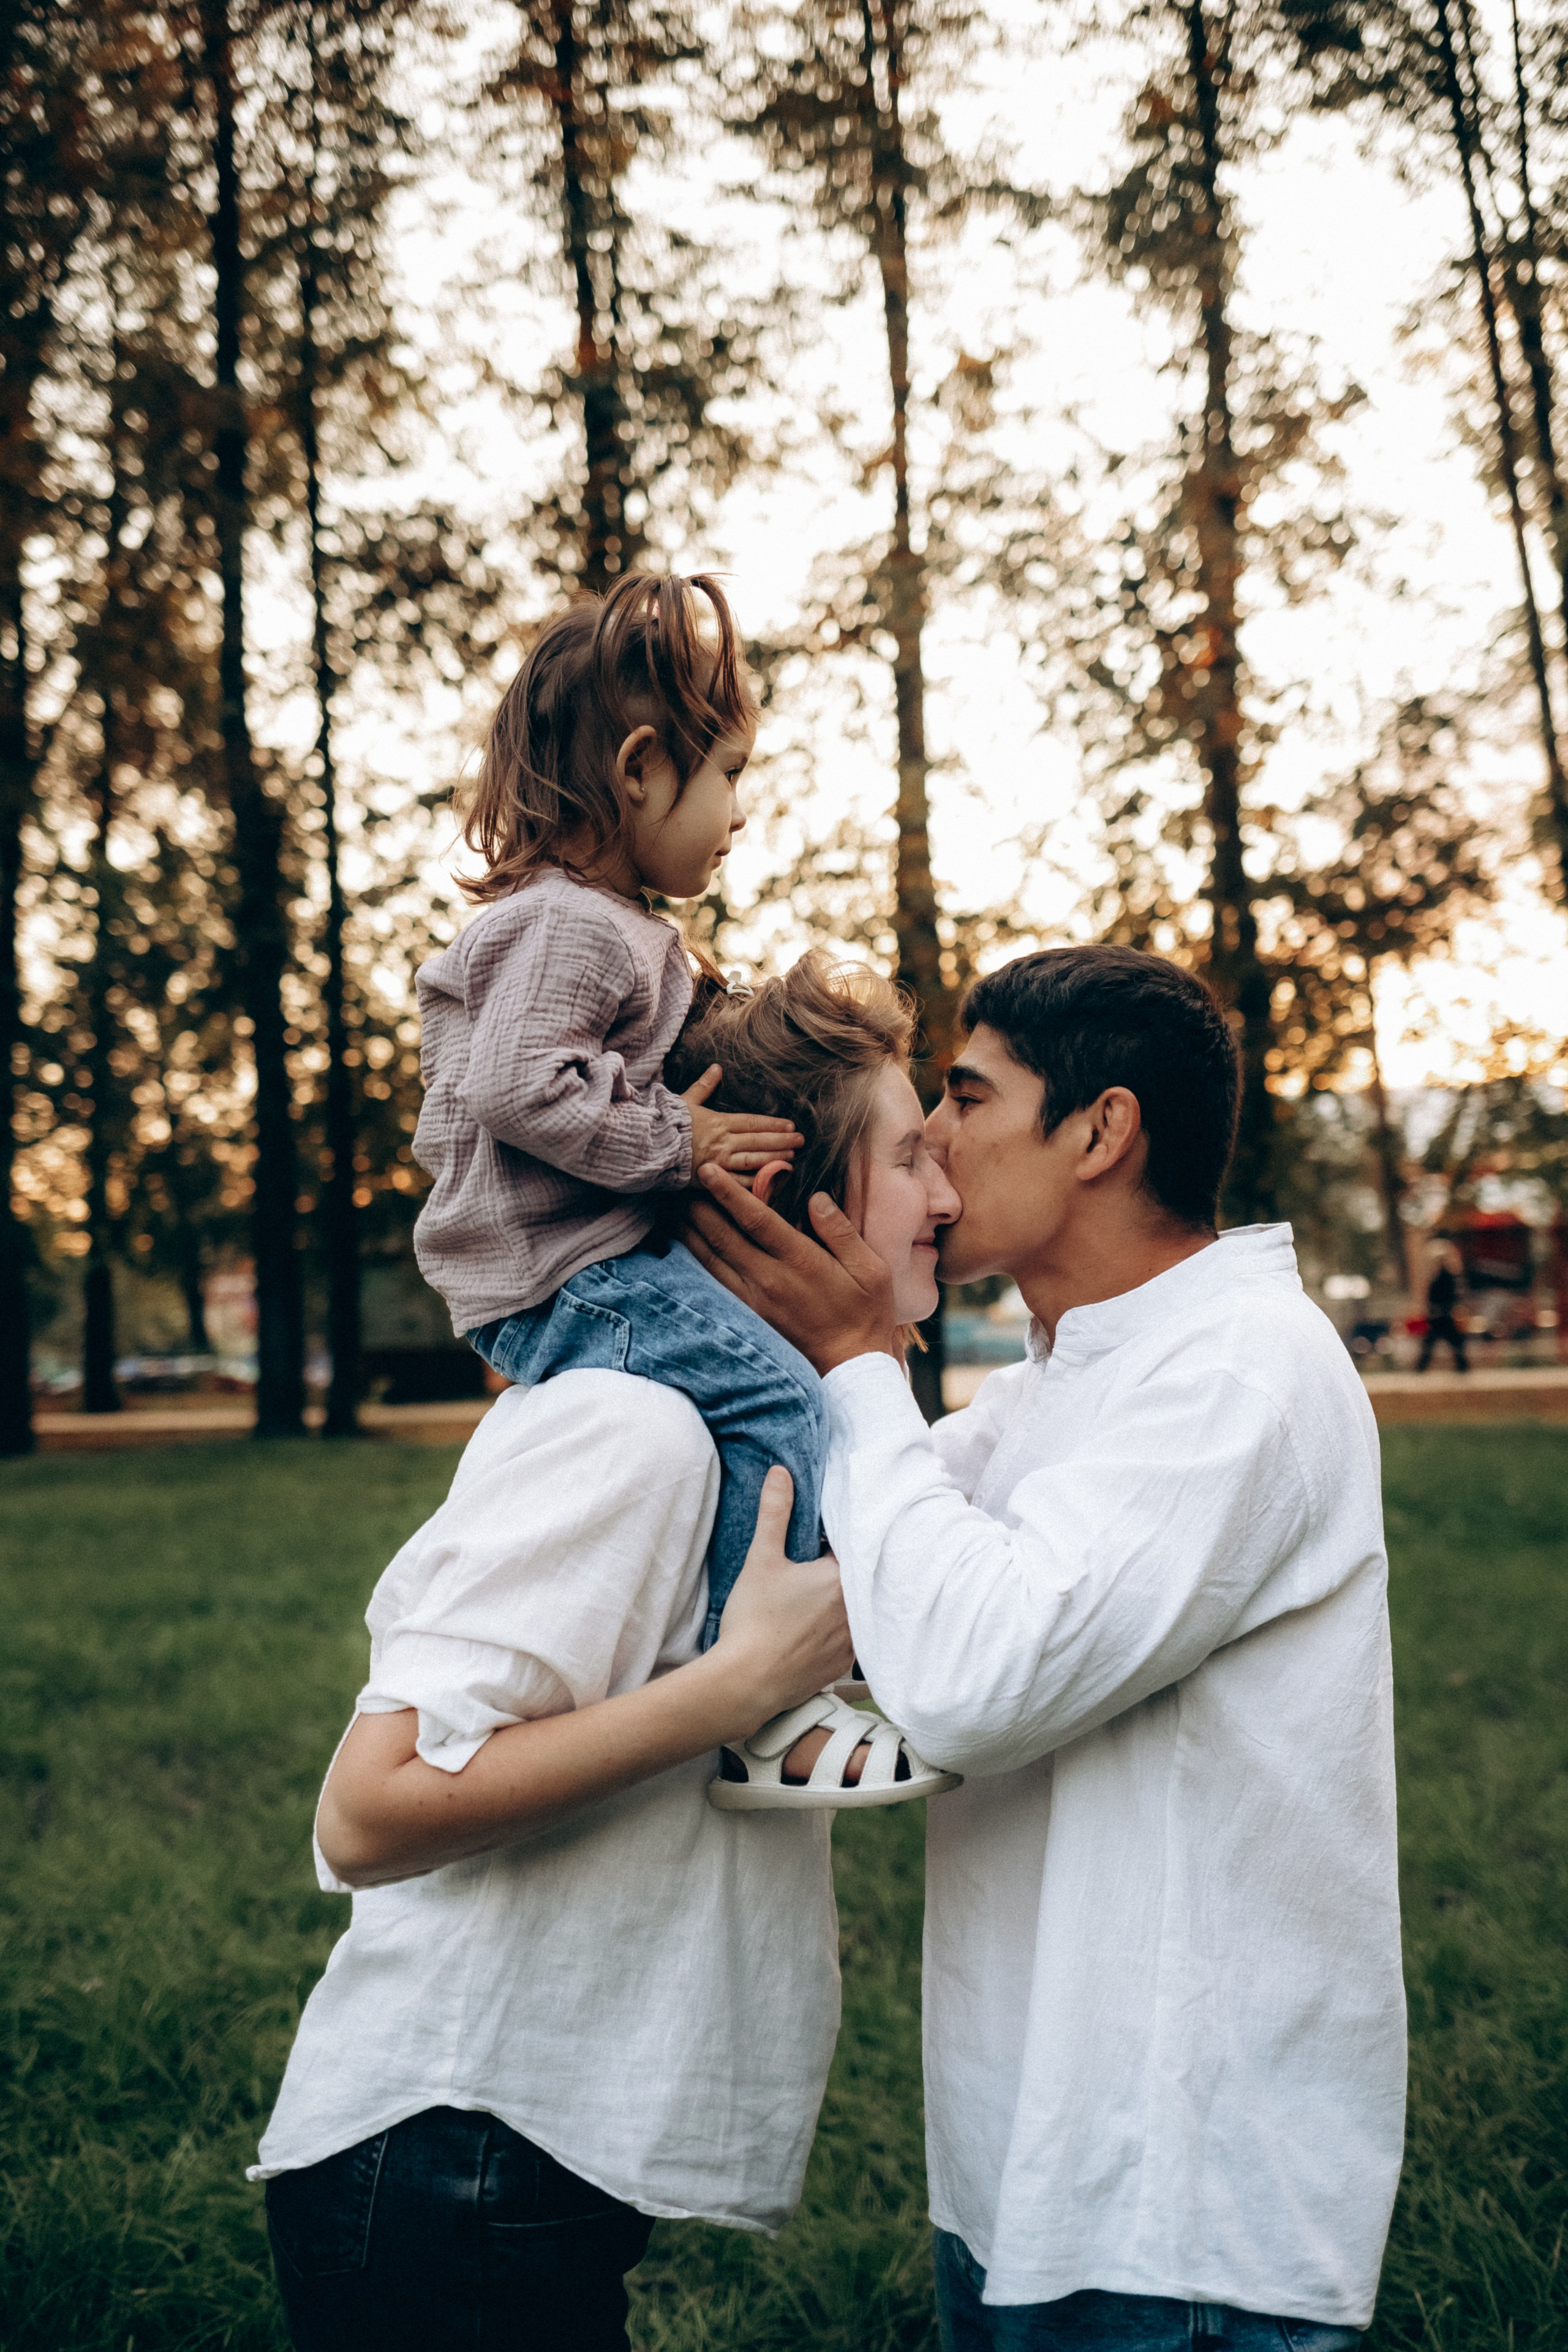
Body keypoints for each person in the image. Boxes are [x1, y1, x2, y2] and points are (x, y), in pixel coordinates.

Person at [686, 943, 1408, 2352]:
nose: (934, 1146)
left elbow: (964, 1675)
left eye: (964, 1095)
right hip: (1032, 2177)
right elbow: (842, 1567)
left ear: (1098, 1129)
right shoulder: (1058, 1386)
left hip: (1183, 2212)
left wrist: (852, 1358)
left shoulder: (1235, 1374)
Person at [251, 952, 963, 2352]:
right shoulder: (632, 1427)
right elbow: (369, 1805)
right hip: (450, 2154)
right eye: (908, 1158)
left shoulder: (772, 1433)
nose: (945, 1197)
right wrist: (739, 1691)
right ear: (769, 1192)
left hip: (517, 2165)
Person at [413, 570, 816, 1650]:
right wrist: (681, 1139)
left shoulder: (604, 925)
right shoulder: (572, 926)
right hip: (563, 1278)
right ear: (642, 770)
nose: (742, 808)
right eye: (730, 773)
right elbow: (517, 1086)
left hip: (583, 1263)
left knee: (781, 1363)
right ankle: (759, 1674)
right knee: (784, 1405)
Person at [1417, 1246, 1468, 1372]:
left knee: (1439, 1343)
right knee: (1436, 1343)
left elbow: (1447, 1297)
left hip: (1442, 1316)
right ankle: (1462, 1367)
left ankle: (1421, 1368)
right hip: (1440, 1316)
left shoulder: (1445, 1277)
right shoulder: (1444, 1277)